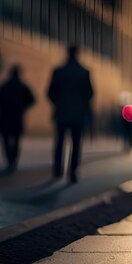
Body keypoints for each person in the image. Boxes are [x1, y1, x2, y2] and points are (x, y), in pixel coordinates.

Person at [47, 45, 93, 183]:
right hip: (78, 114)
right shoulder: (84, 72)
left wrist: (58, 103)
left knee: (60, 142)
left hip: (62, 112)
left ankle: (57, 170)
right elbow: (89, 94)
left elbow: (50, 92)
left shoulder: (59, 71)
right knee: (76, 143)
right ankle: (73, 172)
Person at [0, 65, 35, 171]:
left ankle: (9, 159)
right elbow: (32, 99)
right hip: (16, 116)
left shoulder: (5, 86)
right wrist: (23, 107)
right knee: (16, 140)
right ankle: (13, 160)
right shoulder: (22, 86)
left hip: (6, 116)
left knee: (6, 139)